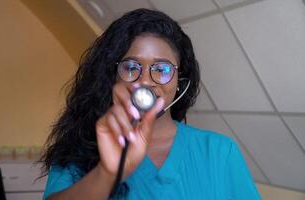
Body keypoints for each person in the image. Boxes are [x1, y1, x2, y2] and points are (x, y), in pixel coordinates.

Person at [40, 8, 261, 200]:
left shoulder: (220, 152)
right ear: (112, 76)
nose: (145, 80)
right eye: (131, 67)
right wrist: (106, 174)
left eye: (162, 69)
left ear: (179, 81)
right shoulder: (79, 149)